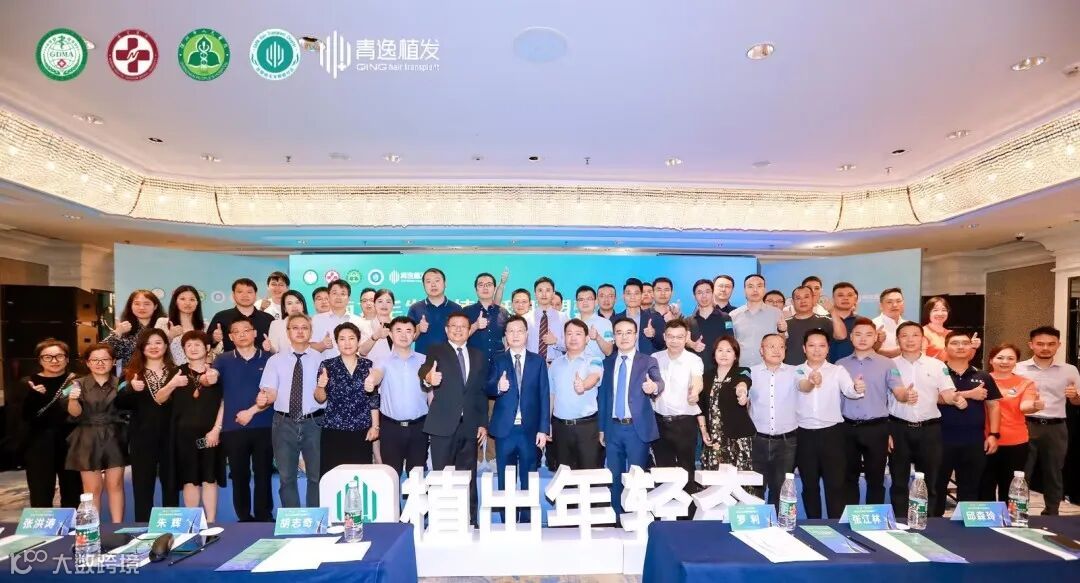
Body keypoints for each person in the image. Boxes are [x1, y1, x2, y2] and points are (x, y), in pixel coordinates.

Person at [419, 311, 490, 525]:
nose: (458, 330)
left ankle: (470, 520)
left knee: (468, 476)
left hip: (470, 426)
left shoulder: (478, 355)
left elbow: (480, 392)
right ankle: (442, 521)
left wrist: (483, 423)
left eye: (463, 326)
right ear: (446, 329)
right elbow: (424, 371)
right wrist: (429, 379)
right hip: (442, 426)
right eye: (454, 326)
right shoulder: (436, 351)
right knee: (441, 476)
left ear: (469, 330)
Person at [888, 322, 962, 519]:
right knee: (899, 481)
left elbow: (947, 393)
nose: (910, 339)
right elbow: (881, 400)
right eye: (904, 335)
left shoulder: (937, 365)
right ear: (897, 340)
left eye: (915, 335)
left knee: (931, 481)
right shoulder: (889, 365)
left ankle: (928, 522)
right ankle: (900, 521)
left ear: (923, 339)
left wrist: (957, 399)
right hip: (898, 428)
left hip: (929, 430)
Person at [598, 317, 664, 516]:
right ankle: (617, 518)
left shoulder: (648, 361)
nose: (624, 337)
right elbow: (604, 398)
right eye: (619, 333)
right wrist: (602, 428)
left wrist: (653, 387)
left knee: (636, 478)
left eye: (628, 332)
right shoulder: (607, 362)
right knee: (614, 477)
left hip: (637, 429)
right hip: (613, 428)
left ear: (635, 336)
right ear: (614, 337)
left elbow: (658, 382)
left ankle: (636, 518)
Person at [486, 315, 550, 521]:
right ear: (505, 335)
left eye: (519, 331)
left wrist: (543, 429)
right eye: (511, 331)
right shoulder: (498, 359)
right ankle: (508, 522)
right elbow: (487, 386)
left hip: (529, 431)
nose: (515, 335)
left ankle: (527, 522)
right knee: (505, 480)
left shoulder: (538, 361)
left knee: (528, 479)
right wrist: (498, 386)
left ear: (526, 334)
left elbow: (544, 395)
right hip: (505, 430)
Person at [118, 328, 186, 521]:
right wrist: (131, 389)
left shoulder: (177, 371)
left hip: (171, 435)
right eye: (148, 343)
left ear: (166, 345)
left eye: (158, 342)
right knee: (142, 485)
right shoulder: (130, 373)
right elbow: (119, 404)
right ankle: (143, 526)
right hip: (141, 436)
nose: (153, 347)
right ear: (141, 347)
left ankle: (171, 526)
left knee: (171, 483)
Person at [259, 313, 325, 508]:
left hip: (314, 423)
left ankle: (316, 519)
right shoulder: (275, 360)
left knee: (316, 476)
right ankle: (292, 517)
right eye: (295, 327)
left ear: (310, 332)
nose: (300, 331)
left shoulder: (321, 360)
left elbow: (322, 394)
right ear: (288, 332)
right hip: (283, 423)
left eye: (305, 328)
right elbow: (271, 391)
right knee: (287, 477)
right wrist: (264, 399)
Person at [213, 316, 275, 522]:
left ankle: (264, 515)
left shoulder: (269, 358)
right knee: (239, 475)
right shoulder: (222, 360)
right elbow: (211, 378)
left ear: (254, 333)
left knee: (263, 473)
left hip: (264, 424)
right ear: (230, 337)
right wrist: (207, 377)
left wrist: (253, 410)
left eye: (246, 330)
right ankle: (244, 517)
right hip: (233, 427)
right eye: (236, 332)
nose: (242, 335)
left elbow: (274, 392)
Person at [794, 329, 861, 519]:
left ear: (828, 348)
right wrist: (811, 381)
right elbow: (802, 385)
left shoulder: (837, 370)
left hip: (833, 434)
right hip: (804, 434)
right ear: (804, 348)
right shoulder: (797, 370)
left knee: (836, 485)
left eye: (822, 345)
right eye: (812, 345)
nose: (817, 350)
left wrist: (857, 388)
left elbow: (849, 390)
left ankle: (835, 525)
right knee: (810, 485)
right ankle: (813, 525)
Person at [836, 318, 902, 506]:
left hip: (876, 428)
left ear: (875, 338)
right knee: (848, 477)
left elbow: (898, 390)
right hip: (847, 428)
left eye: (868, 334)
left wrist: (906, 395)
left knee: (876, 478)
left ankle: (875, 517)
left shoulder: (888, 364)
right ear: (850, 337)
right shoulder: (840, 364)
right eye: (858, 334)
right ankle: (851, 517)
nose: (863, 339)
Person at [936, 330, 1001, 517]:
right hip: (939, 439)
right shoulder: (936, 373)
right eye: (955, 343)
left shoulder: (983, 376)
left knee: (970, 488)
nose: (960, 347)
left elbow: (994, 406)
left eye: (965, 343)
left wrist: (993, 435)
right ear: (945, 348)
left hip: (973, 441)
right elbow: (929, 398)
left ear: (971, 348)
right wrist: (970, 394)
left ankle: (966, 527)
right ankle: (933, 526)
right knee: (936, 487)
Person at [1018, 326, 1080, 515]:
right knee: (1021, 472)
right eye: (1040, 344)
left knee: (1054, 472)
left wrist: (1075, 396)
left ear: (1058, 345)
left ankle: (1052, 513)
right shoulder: (1018, 368)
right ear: (1031, 345)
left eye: (1051, 344)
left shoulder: (1069, 370)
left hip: (1056, 427)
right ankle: (1018, 512)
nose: (1046, 348)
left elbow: (1077, 401)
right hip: (1024, 424)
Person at [65, 343, 127, 522]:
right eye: (95, 360)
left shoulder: (122, 383)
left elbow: (128, 408)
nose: (100, 363)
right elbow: (75, 413)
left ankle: (117, 527)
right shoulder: (77, 383)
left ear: (113, 361)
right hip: (87, 437)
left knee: (115, 485)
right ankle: (93, 528)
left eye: (105, 359)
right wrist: (72, 400)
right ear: (87, 362)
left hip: (115, 436)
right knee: (92, 488)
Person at [19, 339, 81, 508]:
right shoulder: (28, 382)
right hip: (38, 445)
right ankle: (43, 525)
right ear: (39, 360)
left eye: (59, 356)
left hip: (70, 444)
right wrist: (33, 397)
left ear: (67, 359)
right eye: (47, 357)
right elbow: (22, 416)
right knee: (41, 493)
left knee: (73, 492)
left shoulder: (76, 381)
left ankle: (72, 524)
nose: (54, 361)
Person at [172, 331, 226, 523]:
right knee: (190, 478)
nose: (193, 349)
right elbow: (161, 399)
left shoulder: (217, 373)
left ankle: (210, 522)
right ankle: (192, 522)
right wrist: (172, 384)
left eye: (197, 345)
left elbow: (225, 402)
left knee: (209, 477)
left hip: (210, 435)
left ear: (207, 348)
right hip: (184, 436)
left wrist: (216, 429)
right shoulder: (176, 372)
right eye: (188, 345)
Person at [317, 322, 382, 472]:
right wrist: (321, 386)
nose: (347, 343)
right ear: (337, 343)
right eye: (342, 339)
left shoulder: (367, 365)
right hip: (334, 430)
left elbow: (373, 399)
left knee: (360, 476)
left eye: (351, 338)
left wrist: (375, 426)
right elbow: (320, 398)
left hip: (362, 430)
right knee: (333, 476)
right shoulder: (327, 365)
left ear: (358, 341)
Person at [650, 319, 704, 490]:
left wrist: (695, 392)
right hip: (659, 422)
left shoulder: (694, 360)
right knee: (662, 469)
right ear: (664, 337)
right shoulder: (655, 358)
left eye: (679, 337)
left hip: (684, 423)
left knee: (686, 468)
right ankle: (664, 505)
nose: (674, 341)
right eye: (670, 336)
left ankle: (688, 506)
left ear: (687, 337)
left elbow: (697, 380)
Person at [981, 344, 1038, 502]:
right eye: (1000, 357)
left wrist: (1035, 406)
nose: (1005, 362)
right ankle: (989, 518)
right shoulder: (981, 380)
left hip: (1015, 442)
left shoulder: (1025, 383)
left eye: (1010, 358)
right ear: (991, 360)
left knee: (1011, 490)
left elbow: (1026, 406)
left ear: (1016, 362)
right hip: (984, 440)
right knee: (984, 487)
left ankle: (1009, 518)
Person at [747, 334, 799, 507]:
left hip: (787, 442)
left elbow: (805, 385)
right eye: (771, 346)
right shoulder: (750, 372)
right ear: (761, 350)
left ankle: (777, 523)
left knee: (781, 490)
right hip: (757, 440)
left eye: (781, 347)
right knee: (755, 489)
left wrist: (812, 382)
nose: (777, 350)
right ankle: (758, 523)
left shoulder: (796, 371)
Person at [547, 319, 605, 470]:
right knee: (563, 474)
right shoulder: (555, 364)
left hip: (586, 427)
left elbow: (594, 376)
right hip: (560, 428)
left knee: (588, 474)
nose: (573, 338)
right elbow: (551, 395)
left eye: (578, 334)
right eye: (569, 334)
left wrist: (583, 385)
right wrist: (547, 423)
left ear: (587, 339)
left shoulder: (595, 360)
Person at [377, 317, 430, 477]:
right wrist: (371, 380)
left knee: (417, 476)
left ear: (414, 334)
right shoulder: (382, 361)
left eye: (408, 331)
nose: (403, 335)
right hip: (390, 428)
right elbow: (377, 374)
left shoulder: (424, 360)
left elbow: (431, 393)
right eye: (398, 330)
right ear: (391, 334)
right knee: (391, 475)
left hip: (419, 427)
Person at [701, 337, 754, 476]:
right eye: (720, 350)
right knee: (714, 480)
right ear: (714, 354)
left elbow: (744, 382)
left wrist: (742, 392)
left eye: (729, 351)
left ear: (735, 355)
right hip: (713, 438)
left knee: (739, 481)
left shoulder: (742, 371)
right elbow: (701, 407)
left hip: (737, 438)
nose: (724, 354)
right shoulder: (706, 377)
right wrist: (703, 430)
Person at [730, 275, 787, 368]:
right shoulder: (733, 315)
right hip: (741, 367)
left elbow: (782, 342)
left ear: (764, 290)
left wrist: (782, 331)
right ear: (744, 290)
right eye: (750, 286)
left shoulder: (776, 313)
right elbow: (730, 344)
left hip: (768, 368)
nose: (755, 290)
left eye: (759, 286)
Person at [104, 289, 166, 372]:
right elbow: (102, 351)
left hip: (159, 374)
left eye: (147, 304)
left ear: (155, 306)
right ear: (130, 306)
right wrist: (117, 332)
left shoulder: (164, 326)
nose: (141, 307)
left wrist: (170, 336)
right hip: (128, 375)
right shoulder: (123, 328)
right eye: (137, 304)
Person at [208, 278, 275, 353]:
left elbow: (277, 346)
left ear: (255, 295)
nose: (245, 295)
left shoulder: (268, 318)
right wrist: (214, 339)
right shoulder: (221, 316)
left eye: (249, 292)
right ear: (233, 295)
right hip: (231, 360)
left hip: (264, 360)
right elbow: (207, 344)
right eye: (240, 292)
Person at [409, 268, 463, 355]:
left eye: (437, 281)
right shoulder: (415, 308)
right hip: (423, 360)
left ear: (445, 283)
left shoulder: (456, 309)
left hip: (450, 359)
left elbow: (463, 337)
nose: (433, 285)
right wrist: (418, 328)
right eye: (428, 281)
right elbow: (408, 339)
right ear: (423, 285)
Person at [310, 279, 363, 359]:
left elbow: (362, 350)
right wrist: (323, 345)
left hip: (352, 365)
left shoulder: (358, 321)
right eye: (335, 293)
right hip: (324, 366)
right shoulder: (317, 319)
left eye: (343, 294)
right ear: (329, 296)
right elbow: (309, 347)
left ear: (348, 298)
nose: (338, 297)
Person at [465, 272, 511, 362]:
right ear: (476, 289)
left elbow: (508, 339)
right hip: (474, 365)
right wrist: (475, 325)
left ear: (494, 288)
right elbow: (459, 338)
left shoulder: (503, 313)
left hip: (499, 365)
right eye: (481, 285)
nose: (485, 288)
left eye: (489, 285)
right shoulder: (466, 311)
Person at [155, 285, 207, 365]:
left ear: (197, 303)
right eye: (182, 299)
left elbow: (214, 352)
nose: (187, 303)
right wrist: (170, 337)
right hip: (170, 370)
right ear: (175, 302)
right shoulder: (163, 323)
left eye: (192, 299)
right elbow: (154, 348)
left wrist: (215, 340)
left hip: (198, 370)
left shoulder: (205, 326)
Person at [783, 285, 833, 366]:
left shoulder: (826, 321)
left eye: (806, 297)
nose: (803, 301)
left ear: (813, 299)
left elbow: (841, 336)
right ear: (792, 302)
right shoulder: (784, 324)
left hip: (820, 370)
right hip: (791, 370)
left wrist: (832, 310)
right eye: (798, 298)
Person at [614, 278, 666, 354]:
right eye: (628, 293)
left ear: (641, 296)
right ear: (623, 296)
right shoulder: (615, 319)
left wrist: (654, 334)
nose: (632, 297)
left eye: (636, 293)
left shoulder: (655, 318)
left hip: (647, 360)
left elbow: (662, 345)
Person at [527, 278, 565, 363]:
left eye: (548, 290)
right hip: (531, 364)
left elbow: (569, 345)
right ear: (535, 294)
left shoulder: (563, 317)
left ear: (553, 293)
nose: (544, 294)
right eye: (540, 290)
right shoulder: (526, 318)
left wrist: (556, 341)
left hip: (555, 365)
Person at [357, 288, 395, 367]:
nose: (384, 305)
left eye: (388, 301)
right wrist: (375, 336)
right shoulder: (365, 325)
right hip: (374, 370)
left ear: (393, 304)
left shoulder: (398, 325)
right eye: (380, 301)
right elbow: (362, 352)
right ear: (374, 304)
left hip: (396, 370)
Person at [826, 282, 861, 363]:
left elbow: (872, 348)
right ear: (833, 299)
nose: (845, 298)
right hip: (828, 368)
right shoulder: (823, 320)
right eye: (840, 295)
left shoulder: (863, 322)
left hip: (855, 367)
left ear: (855, 299)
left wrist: (879, 341)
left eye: (849, 295)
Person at [576, 285, 614, 358]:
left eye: (589, 299)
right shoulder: (572, 323)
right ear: (577, 303)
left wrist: (597, 337)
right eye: (581, 299)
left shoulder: (605, 323)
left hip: (595, 364)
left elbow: (609, 351)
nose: (585, 302)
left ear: (596, 302)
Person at [872, 288, 907, 358]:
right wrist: (905, 349)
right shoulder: (873, 325)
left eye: (898, 301)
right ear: (881, 306)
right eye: (889, 302)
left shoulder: (908, 325)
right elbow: (868, 352)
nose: (895, 305)